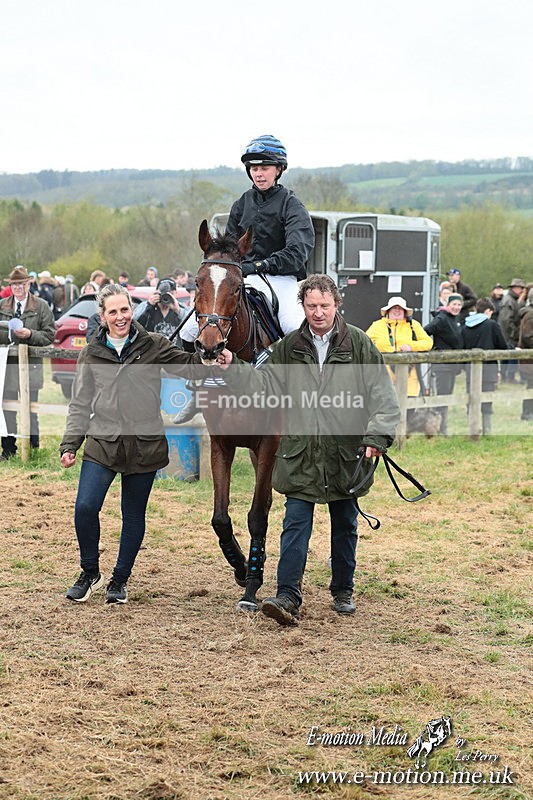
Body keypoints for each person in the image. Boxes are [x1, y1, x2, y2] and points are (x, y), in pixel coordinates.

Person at [217, 275, 400, 625]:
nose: (318, 313)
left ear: (336, 305)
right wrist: (234, 368)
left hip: (346, 454)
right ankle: (287, 595)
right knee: (295, 524)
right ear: (302, 306)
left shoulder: (358, 344)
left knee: (344, 523)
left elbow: (384, 397)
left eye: (324, 306)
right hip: (300, 454)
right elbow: (262, 383)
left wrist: (376, 437)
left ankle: (343, 589)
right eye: (311, 306)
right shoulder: (288, 347)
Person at [60, 283, 199, 604]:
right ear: (103, 316)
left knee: (133, 515)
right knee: (85, 507)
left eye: (125, 310)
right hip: (103, 441)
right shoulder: (91, 353)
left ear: (131, 311)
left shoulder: (153, 345)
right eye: (113, 311)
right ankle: (90, 572)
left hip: (144, 443)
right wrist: (70, 444)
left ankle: (119, 580)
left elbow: (187, 364)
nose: (120, 316)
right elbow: (79, 404)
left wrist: (211, 359)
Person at [176, 134, 315, 423]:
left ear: (278, 169)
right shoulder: (242, 203)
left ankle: (305, 396)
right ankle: (197, 389)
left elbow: (297, 252)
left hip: (282, 278)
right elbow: (230, 246)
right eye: (253, 168)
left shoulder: (292, 205)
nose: (258, 172)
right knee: (190, 330)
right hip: (244, 276)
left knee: (293, 326)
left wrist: (262, 264)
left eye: (265, 167)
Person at [0, 266, 55, 459]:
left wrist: (30, 334)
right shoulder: (2, 305)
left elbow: (49, 335)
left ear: (28, 283)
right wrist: (8, 335)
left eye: (21, 284)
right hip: (6, 366)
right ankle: (8, 449)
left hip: (31, 367)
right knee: (7, 408)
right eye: (14, 284)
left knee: (31, 409)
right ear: (10, 286)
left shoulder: (41, 306)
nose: (18, 288)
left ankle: (33, 449)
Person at [366, 296, 433, 431]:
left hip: (410, 374)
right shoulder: (377, 325)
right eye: (394, 308)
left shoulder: (413, 325)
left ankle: (402, 435)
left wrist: (411, 346)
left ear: (404, 311)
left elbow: (428, 343)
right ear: (388, 311)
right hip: (384, 373)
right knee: (386, 405)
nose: (397, 311)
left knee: (408, 407)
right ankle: (387, 435)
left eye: (400, 309)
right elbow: (365, 342)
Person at [462, 297, 508, 434]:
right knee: (487, 400)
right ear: (488, 311)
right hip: (488, 368)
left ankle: (472, 429)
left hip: (470, 368)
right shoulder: (491, 325)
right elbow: (502, 346)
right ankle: (487, 430)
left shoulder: (466, 326)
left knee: (472, 398)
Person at [423, 293, 464, 436]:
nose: (457, 307)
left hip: (452, 364)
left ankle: (442, 427)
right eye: (454, 304)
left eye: (459, 305)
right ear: (448, 305)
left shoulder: (455, 319)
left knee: (447, 395)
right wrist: (434, 348)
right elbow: (425, 331)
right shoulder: (442, 318)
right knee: (441, 396)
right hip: (442, 364)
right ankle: (435, 428)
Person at [135, 277, 187, 342]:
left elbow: (192, 327)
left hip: (174, 351)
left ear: (176, 293)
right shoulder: (147, 306)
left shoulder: (181, 308)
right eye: (163, 293)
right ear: (156, 292)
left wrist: (178, 310)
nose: (166, 296)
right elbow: (134, 323)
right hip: (153, 350)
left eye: (170, 294)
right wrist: (149, 305)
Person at [499, 277, 527, 383]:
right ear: (515, 288)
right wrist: (515, 333)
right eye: (520, 288)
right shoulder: (509, 301)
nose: (521, 291)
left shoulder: (512, 300)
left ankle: (506, 376)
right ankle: (509, 377)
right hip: (508, 334)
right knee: (511, 356)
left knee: (508, 356)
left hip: (509, 333)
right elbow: (506, 320)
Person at [518, 287, 533, 421]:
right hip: (530, 359)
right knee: (531, 386)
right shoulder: (530, 315)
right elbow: (528, 337)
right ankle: (527, 413)